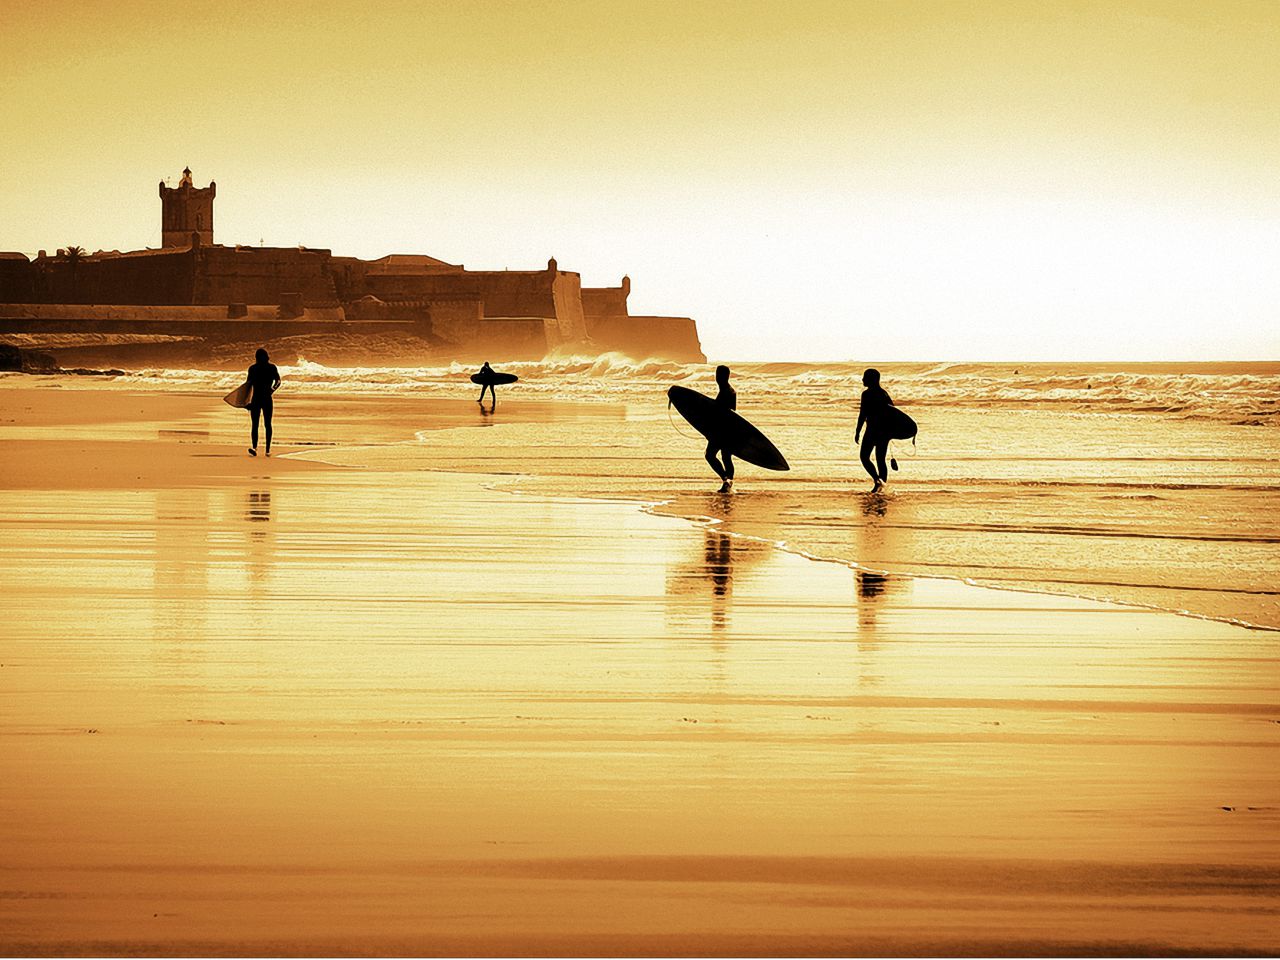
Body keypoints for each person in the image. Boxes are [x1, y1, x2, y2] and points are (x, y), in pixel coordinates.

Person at [854, 367, 894, 492]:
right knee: (880, 459)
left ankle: (877, 481)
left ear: (871, 379)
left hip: (872, 430)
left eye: (865, 377)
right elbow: (893, 412)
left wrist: (857, 431)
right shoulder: (884, 393)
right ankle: (881, 484)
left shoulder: (866, 394)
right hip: (884, 431)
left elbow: (863, 413)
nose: (862, 379)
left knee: (864, 457)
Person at [705, 364, 737, 493]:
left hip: (721, 431)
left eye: (718, 375)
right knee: (726, 457)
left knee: (710, 455)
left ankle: (725, 479)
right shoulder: (731, 390)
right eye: (716, 374)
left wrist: (710, 431)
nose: (716, 377)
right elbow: (733, 411)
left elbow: (721, 413)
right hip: (728, 430)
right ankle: (727, 482)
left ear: (724, 376)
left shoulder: (725, 391)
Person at [246, 348, 281, 457]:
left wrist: (246, 402)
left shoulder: (253, 368)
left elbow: (248, 386)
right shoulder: (271, 367)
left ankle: (255, 447)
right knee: (267, 424)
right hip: (266, 398)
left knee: (255, 424)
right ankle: (267, 450)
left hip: (256, 399)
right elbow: (278, 381)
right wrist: (272, 389)